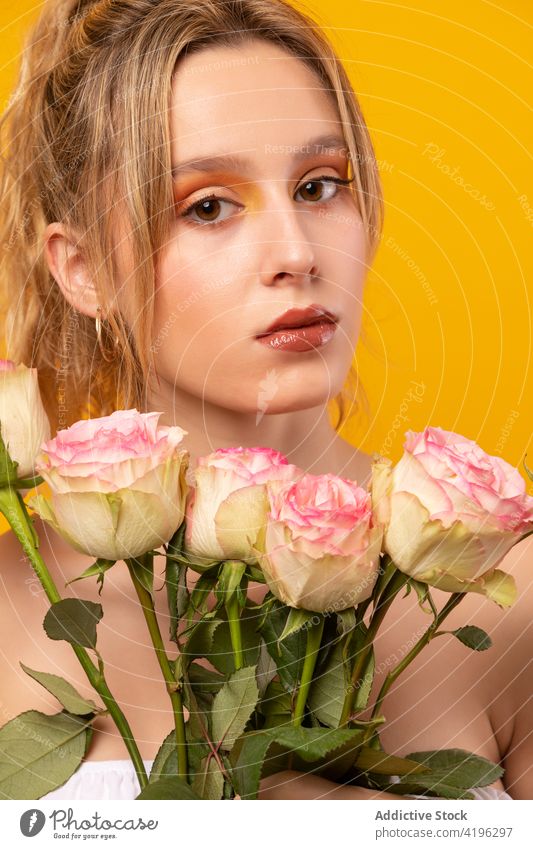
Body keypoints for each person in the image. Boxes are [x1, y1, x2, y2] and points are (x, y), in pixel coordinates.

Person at [0, 0, 530, 801]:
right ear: (83, 269)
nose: (295, 253)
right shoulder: (12, 599)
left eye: (319, 186)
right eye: (207, 205)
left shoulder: (514, 590)